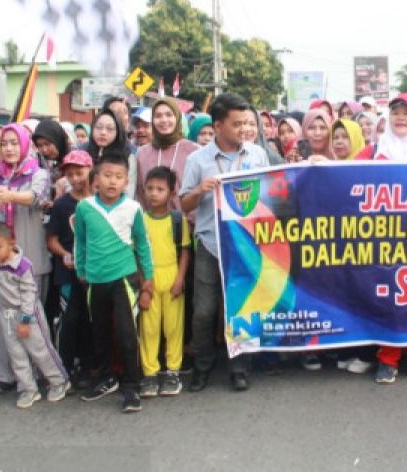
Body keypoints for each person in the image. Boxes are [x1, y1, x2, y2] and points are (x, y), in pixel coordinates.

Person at [180, 92, 271, 393]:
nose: (244, 129)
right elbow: (183, 205)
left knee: (242, 307)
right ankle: (203, 366)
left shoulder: (257, 154)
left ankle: (240, 367)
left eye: (247, 122)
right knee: (205, 310)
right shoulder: (197, 159)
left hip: (246, 243)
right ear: (218, 126)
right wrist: (201, 191)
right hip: (210, 243)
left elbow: (269, 192)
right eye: (237, 123)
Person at [356, 93, 407, 383]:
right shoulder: (372, 152)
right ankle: (388, 358)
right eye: (395, 113)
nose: (401, 118)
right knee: (388, 298)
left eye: (406, 113)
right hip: (383, 241)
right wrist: (317, 163)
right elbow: (340, 175)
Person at [74, 154, 154, 413]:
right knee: (100, 333)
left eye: (119, 177)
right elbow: (81, 242)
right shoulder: (85, 208)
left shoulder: (133, 209)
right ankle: (107, 378)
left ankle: (132, 387)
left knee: (126, 334)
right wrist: (81, 269)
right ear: (96, 179)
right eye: (107, 175)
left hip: (124, 280)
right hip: (95, 281)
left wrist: (148, 280)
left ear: (126, 181)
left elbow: (143, 245)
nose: (112, 181)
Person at [0, 221, 70, 409]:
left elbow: (30, 293)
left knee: (40, 350)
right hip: (7, 315)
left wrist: (25, 319)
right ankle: (28, 388)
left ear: (11, 243)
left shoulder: (22, 265)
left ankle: (59, 381)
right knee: (16, 354)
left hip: (27, 315)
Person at [0, 125, 52, 301]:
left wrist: (11, 196)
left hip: (30, 254)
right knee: (2, 315)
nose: (8, 149)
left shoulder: (38, 174)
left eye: (14, 143)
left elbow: (36, 197)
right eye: (4, 144)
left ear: (25, 144)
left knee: (31, 314)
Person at [138, 166, 191, 399]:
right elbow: (137, 254)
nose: (153, 194)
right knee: (148, 328)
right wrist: (144, 286)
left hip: (171, 277)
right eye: (149, 189)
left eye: (160, 189)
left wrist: (180, 279)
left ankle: (173, 371)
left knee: (173, 327)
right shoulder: (139, 220)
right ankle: (150, 372)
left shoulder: (178, 220)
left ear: (171, 194)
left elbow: (185, 252)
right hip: (149, 278)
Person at [46, 150, 95, 387]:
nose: (76, 178)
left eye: (80, 172)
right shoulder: (62, 204)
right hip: (67, 272)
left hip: (96, 272)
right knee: (69, 318)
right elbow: (51, 239)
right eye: (70, 174)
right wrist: (65, 254)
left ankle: (88, 366)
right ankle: (64, 367)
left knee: (91, 318)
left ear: (91, 170)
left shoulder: (100, 201)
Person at [135, 97, 199, 209]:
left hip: (187, 223)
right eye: (158, 116)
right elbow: (140, 193)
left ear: (177, 117)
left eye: (169, 115)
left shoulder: (194, 151)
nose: (164, 120)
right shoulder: (142, 153)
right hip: (152, 222)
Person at [86, 108, 138, 189]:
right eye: (99, 127)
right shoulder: (83, 154)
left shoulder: (127, 157)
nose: (103, 132)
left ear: (118, 132)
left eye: (109, 129)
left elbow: (128, 191)